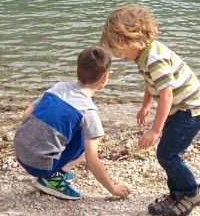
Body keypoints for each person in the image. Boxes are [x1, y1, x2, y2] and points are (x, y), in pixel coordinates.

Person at [100, 4, 200, 216]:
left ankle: (191, 192)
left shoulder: (154, 59)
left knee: (167, 154)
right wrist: (146, 106)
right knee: (168, 153)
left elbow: (167, 95)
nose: (116, 54)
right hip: (180, 108)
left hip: (191, 109)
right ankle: (176, 194)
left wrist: (154, 130)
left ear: (135, 39)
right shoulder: (144, 56)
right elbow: (152, 84)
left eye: (118, 48)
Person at [14, 46, 131, 201]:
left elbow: (26, 115)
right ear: (104, 78)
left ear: (78, 69)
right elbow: (91, 158)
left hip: (19, 152)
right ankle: (52, 178)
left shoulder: (59, 87)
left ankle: (55, 169)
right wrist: (113, 188)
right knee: (90, 135)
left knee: (74, 127)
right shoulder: (88, 110)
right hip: (39, 166)